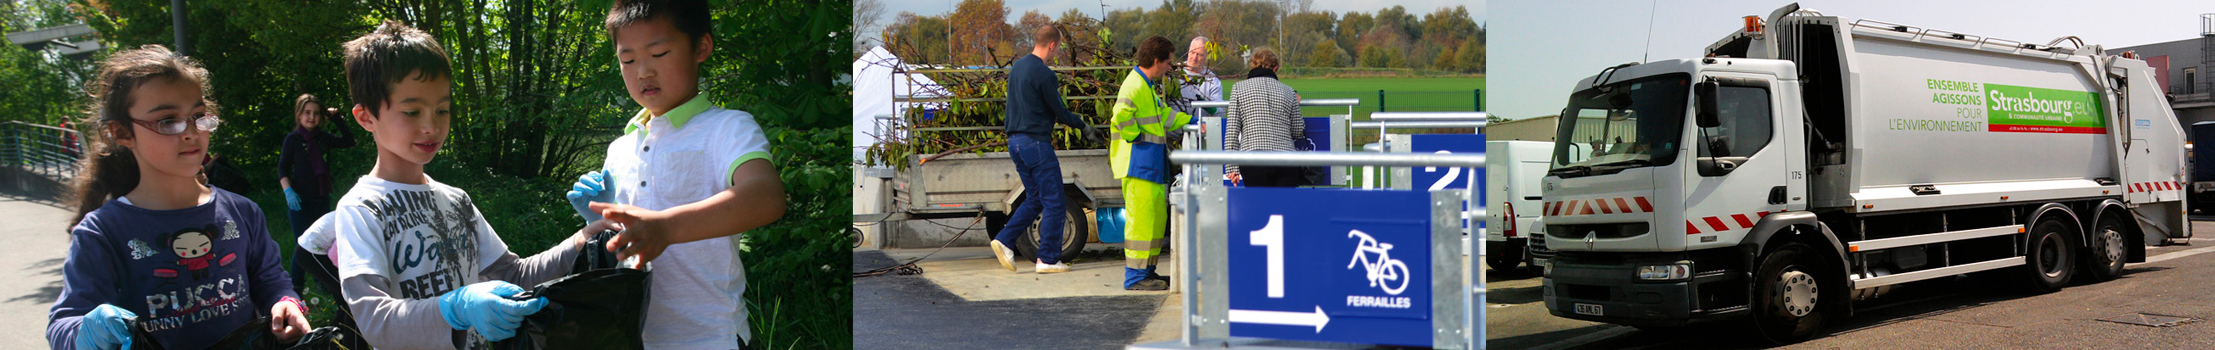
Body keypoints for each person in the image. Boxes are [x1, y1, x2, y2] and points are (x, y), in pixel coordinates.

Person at [325, 21, 605, 349]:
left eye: (442, 110)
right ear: (365, 117)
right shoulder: (361, 209)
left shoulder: (456, 200)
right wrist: (455, 309)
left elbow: (514, 275)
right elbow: (375, 320)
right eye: (412, 112)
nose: (431, 126)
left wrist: (584, 238)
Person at [46, 45, 313, 350]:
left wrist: (286, 303)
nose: (190, 132)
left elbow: (271, 281)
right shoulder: (102, 232)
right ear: (121, 133)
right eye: (167, 121)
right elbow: (64, 324)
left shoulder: (243, 212)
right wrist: (87, 331)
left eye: (198, 116)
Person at [560, 0, 794, 348]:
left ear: (701, 47)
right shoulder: (619, 149)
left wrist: (667, 227)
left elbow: (766, 197)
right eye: (628, 60)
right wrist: (601, 220)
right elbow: (628, 245)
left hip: (710, 337)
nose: (643, 72)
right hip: (632, 336)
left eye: (659, 54)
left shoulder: (727, 128)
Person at [971, 24, 1105, 275]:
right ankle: (1048, 259)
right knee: (1055, 202)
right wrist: (1085, 126)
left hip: (1016, 144)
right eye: (1059, 47)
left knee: (1035, 198)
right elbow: (1060, 111)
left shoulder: (1018, 68)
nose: (1058, 52)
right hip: (1036, 144)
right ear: (1052, 45)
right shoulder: (1044, 74)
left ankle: (1004, 239)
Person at [1110, 36, 1195, 291]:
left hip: (1149, 165)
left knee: (1154, 222)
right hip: (1138, 165)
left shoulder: (1145, 85)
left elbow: (1164, 115)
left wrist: (1190, 120)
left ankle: (1147, 272)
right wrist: (1137, 137)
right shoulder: (1135, 85)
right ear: (1156, 61)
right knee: (1142, 224)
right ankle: (1135, 278)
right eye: (1168, 62)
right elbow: (1120, 116)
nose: (1170, 67)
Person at [277, 93, 356, 295]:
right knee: (301, 244)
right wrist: (288, 191)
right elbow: (282, 168)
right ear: (299, 115)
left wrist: (336, 118)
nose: (311, 117)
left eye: (316, 113)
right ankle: (296, 285)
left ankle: (321, 279)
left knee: (322, 242)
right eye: (307, 113)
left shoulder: (323, 138)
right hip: (300, 201)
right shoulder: (293, 139)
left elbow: (349, 141)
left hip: (321, 198)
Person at [1225, 48, 1307, 187]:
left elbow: (1232, 130)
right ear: (1276, 68)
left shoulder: (1238, 88)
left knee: (1258, 205)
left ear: (1252, 65)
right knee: (1284, 206)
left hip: (1252, 158)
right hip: (1286, 158)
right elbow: (1298, 130)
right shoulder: (1288, 91)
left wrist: (1232, 167)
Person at [1172, 36, 1223, 121]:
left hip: (1199, 131)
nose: (1194, 58)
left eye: (1200, 55)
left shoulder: (1212, 81)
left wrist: (1210, 107)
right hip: (1173, 132)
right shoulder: (1173, 72)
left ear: (1207, 56)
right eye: (1192, 52)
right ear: (1188, 51)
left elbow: (1220, 112)